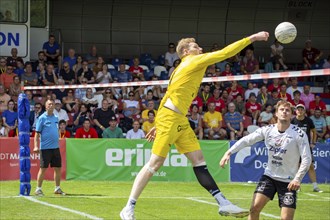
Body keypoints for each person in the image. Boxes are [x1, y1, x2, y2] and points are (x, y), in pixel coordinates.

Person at [120, 31, 269, 220]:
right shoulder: (193, 61)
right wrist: (252, 38)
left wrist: (158, 122)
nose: (200, 48)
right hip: (170, 118)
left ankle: (223, 202)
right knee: (155, 163)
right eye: (195, 46)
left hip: (178, 118)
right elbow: (225, 53)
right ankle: (128, 207)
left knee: (199, 161)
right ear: (186, 51)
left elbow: (168, 94)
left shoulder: (181, 69)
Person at [220, 100, 312, 220]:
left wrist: (297, 179)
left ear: (292, 114)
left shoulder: (299, 134)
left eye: (287, 110)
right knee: (254, 209)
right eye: (282, 110)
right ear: (276, 114)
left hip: (288, 182)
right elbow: (247, 140)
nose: (284, 112)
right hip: (269, 177)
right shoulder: (268, 129)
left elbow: (306, 158)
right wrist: (229, 152)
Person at [33, 99, 65, 196]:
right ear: (46, 106)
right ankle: (38, 189)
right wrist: (35, 146)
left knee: (58, 168)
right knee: (43, 168)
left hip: (55, 147)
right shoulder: (42, 118)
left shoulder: (56, 117)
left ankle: (57, 188)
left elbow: (57, 129)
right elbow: (37, 134)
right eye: (49, 104)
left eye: (52, 104)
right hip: (45, 148)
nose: (51, 105)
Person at [291, 104, 322, 192]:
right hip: (295, 147)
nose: (300, 111)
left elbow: (314, 131)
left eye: (301, 110)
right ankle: (297, 186)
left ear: (304, 111)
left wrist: (313, 142)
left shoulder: (309, 120)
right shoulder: (292, 121)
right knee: (296, 166)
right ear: (296, 111)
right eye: (298, 109)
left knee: (310, 166)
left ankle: (315, 187)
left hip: (306, 147)